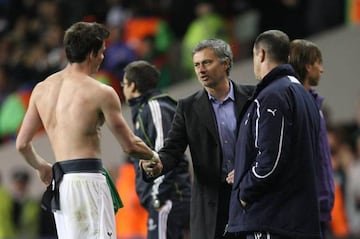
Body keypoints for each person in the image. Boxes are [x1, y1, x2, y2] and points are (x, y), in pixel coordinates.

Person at [15, 21, 159, 239]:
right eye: (101, 52)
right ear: (92, 53)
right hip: (88, 183)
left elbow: (22, 144)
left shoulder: (41, 90)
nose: (103, 58)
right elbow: (130, 146)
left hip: (61, 187)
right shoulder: (100, 92)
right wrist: (153, 155)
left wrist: (42, 166)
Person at [141, 38, 254, 239]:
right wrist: (157, 165)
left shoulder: (253, 97)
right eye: (196, 65)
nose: (201, 69)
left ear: (226, 63)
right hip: (212, 204)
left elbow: (264, 145)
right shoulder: (187, 107)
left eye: (207, 62)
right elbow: (172, 150)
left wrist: (246, 170)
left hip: (251, 195)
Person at [226, 30, 321, 239]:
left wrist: (244, 192)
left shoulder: (272, 95)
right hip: (297, 220)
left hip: (272, 220)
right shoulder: (303, 95)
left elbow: (270, 159)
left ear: (260, 54)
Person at [122, 60, 191, 239]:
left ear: (133, 85)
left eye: (124, 84)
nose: (122, 89)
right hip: (165, 199)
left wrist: (158, 198)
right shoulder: (145, 110)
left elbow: (164, 154)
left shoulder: (154, 107)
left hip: (167, 199)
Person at [289, 39, 335, 239]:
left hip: (320, 208)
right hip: (306, 211)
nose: (322, 69)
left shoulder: (314, 104)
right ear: (308, 66)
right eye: (318, 63)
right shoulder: (297, 106)